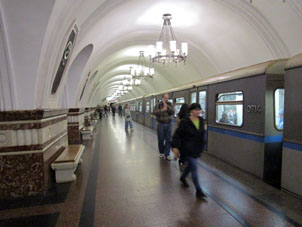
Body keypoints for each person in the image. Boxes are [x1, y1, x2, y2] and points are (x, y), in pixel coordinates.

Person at [171, 103, 206, 200]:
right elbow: (177, 135)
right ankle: (199, 190)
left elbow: (201, 135)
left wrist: (202, 145)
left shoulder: (201, 121)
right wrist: (175, 147)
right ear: (191, 111)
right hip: (186, 148)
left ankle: (183, 177)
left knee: (191, 166)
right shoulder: (185, 122)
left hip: (196, 149)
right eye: (196, 110)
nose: (198, 112)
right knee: (194, 167)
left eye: (199, 110)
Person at [153, 93, 174, 161]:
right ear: (162, 98)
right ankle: (161, 152)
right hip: (161, 124)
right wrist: (162, 109)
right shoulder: (158, 105)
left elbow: (173, 112)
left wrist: (167, 107)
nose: (166, 99)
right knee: (161, 139)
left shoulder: (170, 104)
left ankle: (167, 154)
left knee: (168, 139)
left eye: (167, 98)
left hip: (169, 124)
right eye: (165, 98)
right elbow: (155, 113)